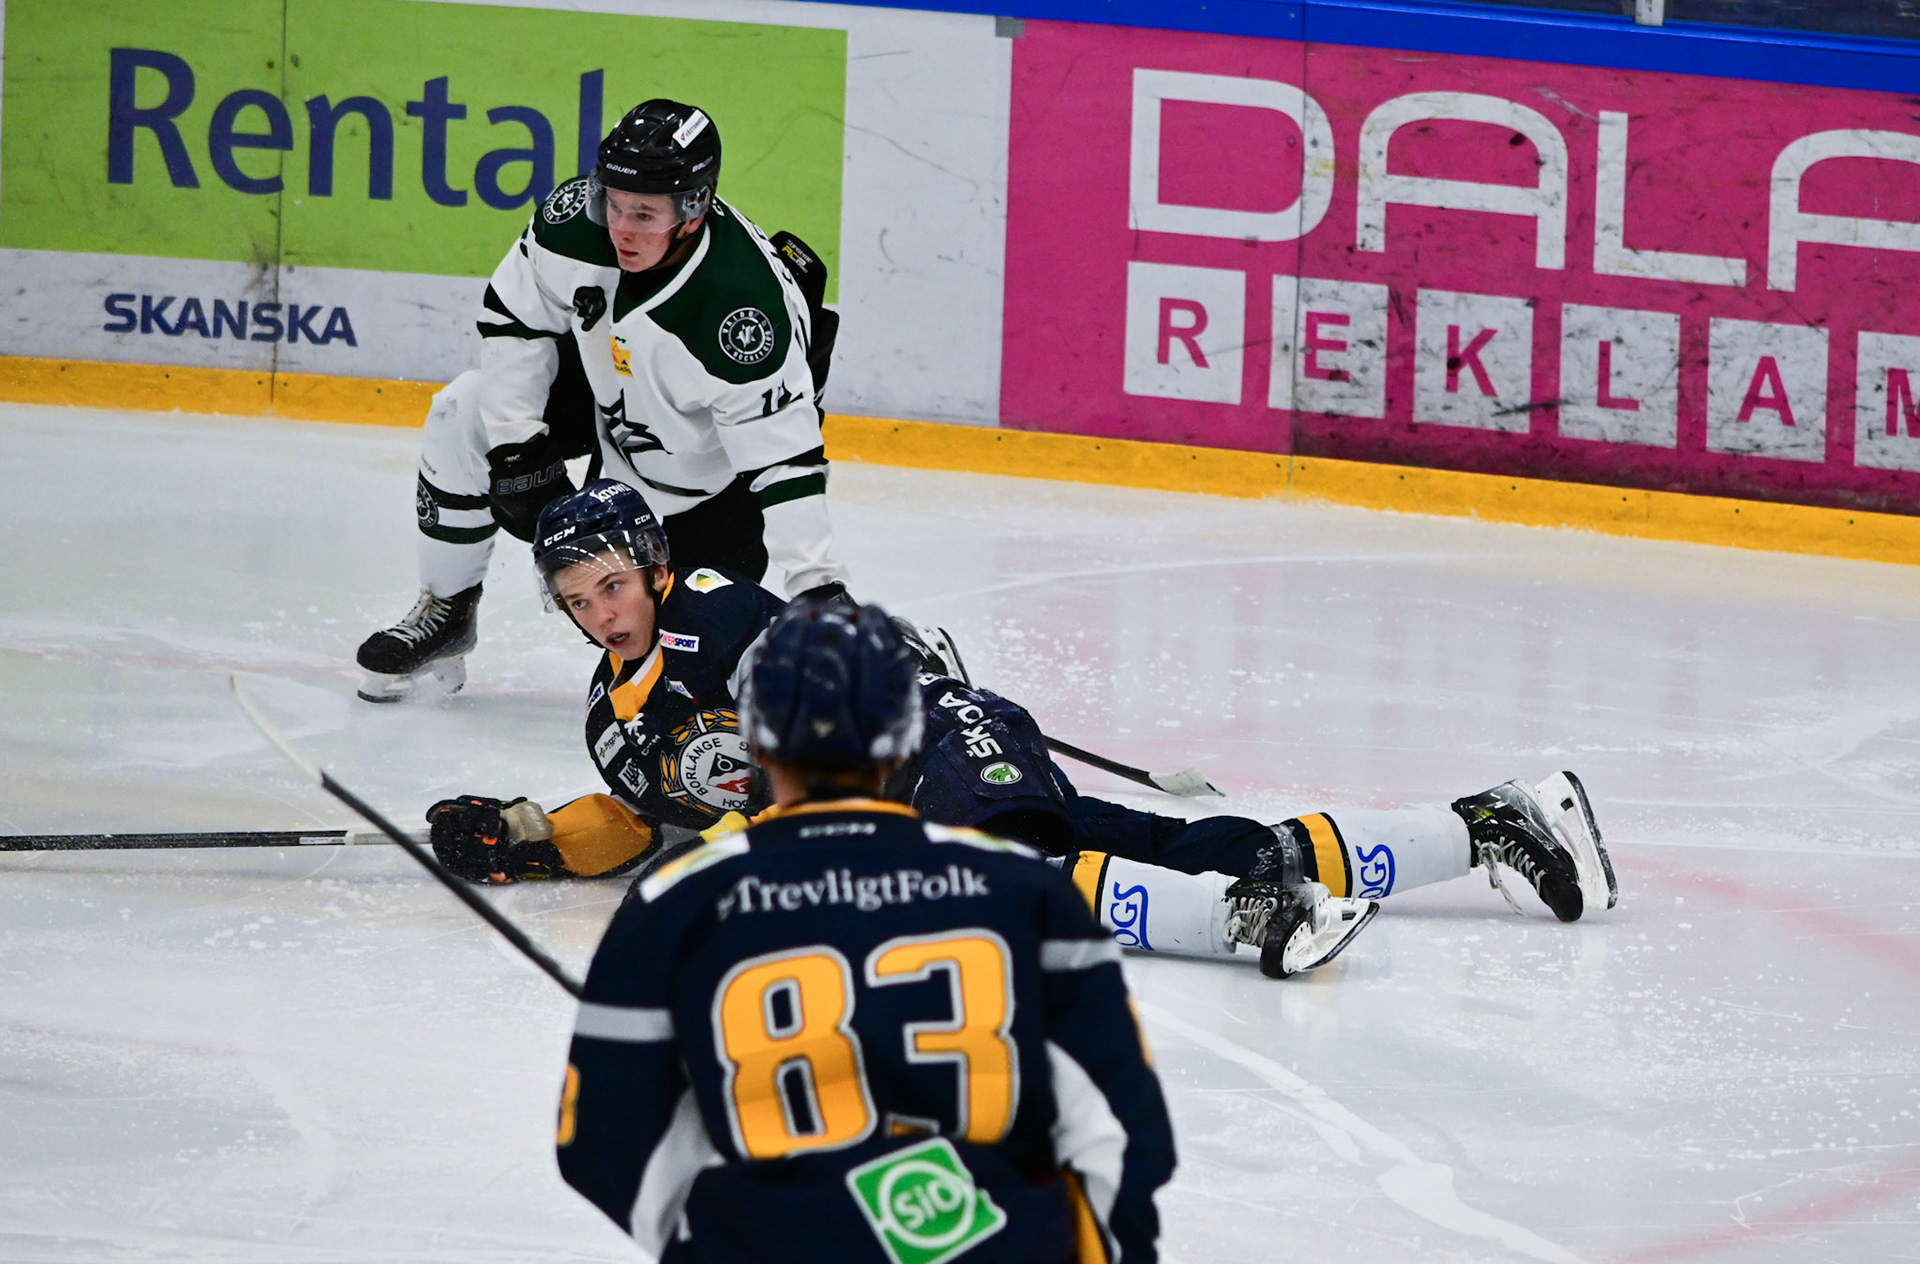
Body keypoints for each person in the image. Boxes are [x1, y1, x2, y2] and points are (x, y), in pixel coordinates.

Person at [425, 481, 1617, 979]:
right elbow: (641, 822)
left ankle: (1255, 920)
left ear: (651, 566)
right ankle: (1485, 823)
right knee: (1174, 839)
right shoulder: (614, 716)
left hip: (935, 744)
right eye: (578, 597)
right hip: (934, 773)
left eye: (612, 583)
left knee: (1006, 879)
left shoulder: (717, 610)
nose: (602, 609)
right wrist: (535, 835)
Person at [554, 598, 1176, 1264]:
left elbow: (605, 1143)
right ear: (907, 737)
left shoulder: (677, 899)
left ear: (755, 740)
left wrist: (726, 1246)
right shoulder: (1026, 889)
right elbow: (1120, 1124)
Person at [356, 98, 848, 703]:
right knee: (463, 410)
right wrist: (516, 445)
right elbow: (514, 318)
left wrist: (817, 589)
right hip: (606, 403)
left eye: (644, 213)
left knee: (683, 671)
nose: (621, 229)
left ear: (693, 210)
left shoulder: (741, 310)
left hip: (710, 489)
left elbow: (785, 463)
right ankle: (448, 610)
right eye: (613, 204)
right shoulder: (573, 224)